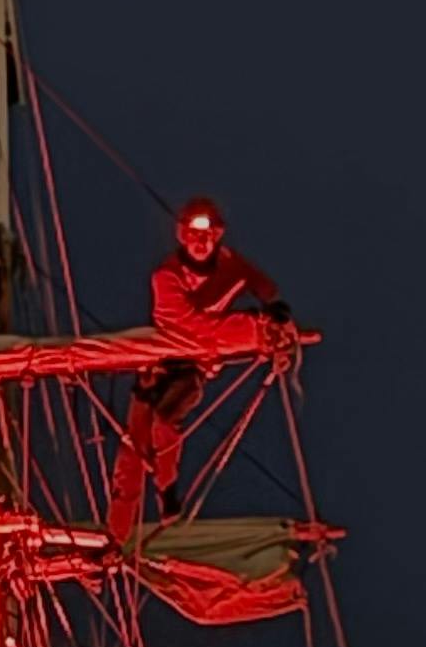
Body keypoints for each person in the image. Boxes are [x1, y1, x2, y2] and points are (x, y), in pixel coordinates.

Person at [107, 195, 291, 541]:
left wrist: (273, 301)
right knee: (133, 450)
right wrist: (255, 328)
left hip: (193, 368)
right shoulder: (166, 277)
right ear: (181, 237)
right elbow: (195, 328)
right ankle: (117, 538)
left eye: (207, 236)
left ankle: (167, 492)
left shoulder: (229, 265)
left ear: (217, 236)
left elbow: (255, 280)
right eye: (193, 235)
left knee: (167, 418)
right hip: (160, 364)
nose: (201, 243)